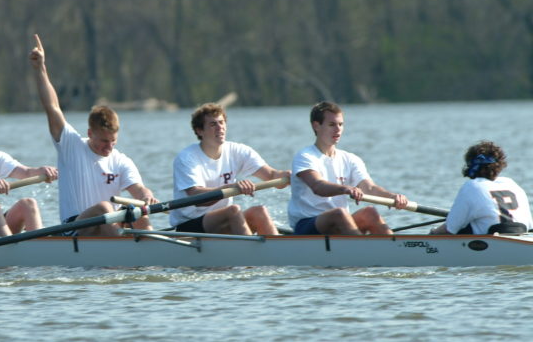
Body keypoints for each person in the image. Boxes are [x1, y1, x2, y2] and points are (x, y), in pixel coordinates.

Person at [28, 34, 157, 235]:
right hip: (74, 228)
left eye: (113, 141)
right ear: (90, 133)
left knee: (138, 209)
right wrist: (40, 69)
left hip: (107, 225)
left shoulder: (121, 161)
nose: (109, 147)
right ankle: (125, 256)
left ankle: (152, 251)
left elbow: (139, 189)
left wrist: (147, 196)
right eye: (104, 141)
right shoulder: (71, 145)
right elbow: (52, 107)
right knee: (105, 208)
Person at [288, 101, 408, 235]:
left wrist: (393, 197)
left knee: (370, 212)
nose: (338, 129)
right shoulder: (305, 156)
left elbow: (369, 188)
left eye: (340, 124)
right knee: (339, 213)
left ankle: (393, 250)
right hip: (307, 224)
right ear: (316, 126)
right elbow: (318, 186)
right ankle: (362, 251)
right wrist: (346, 189)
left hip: (340, 222)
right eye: (332, 124)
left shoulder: (350, 159)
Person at [170, 103, 289, 235]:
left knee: (259, 212)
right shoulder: (187, 158)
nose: (220, 128)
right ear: (199, 131)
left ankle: (276, 251)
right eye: (213, 124)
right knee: (233, 210)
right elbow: (197, 197)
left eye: (222, 122)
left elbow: (272, 175)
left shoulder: (238, 151)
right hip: (189, 225)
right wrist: (232, 187)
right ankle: (252, 253)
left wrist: (290, 175)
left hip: (224, 219)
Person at [430, 141, 532, 235]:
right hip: (522, 239)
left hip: (489, 243)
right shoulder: (512, 184)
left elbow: (449, 230)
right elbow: (529, 226)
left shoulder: (472, 186)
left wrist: (432, 233)